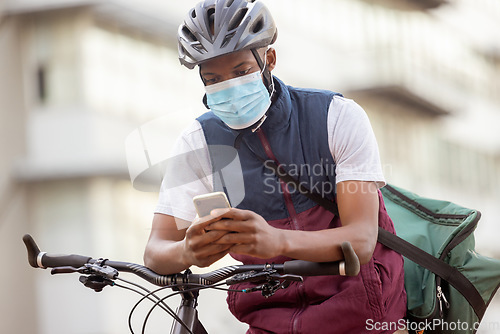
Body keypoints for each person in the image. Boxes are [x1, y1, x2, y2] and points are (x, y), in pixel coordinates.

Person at [144, 0, 407, 333]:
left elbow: (362, 240)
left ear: (268, 59)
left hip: (361, 314)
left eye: (240, 72)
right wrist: (187, 250)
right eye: (213, 79)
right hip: (269, 318)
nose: (228, 87)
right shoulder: (198, 142)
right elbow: (155, 251)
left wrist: (277, 241)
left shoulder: (337, 116)